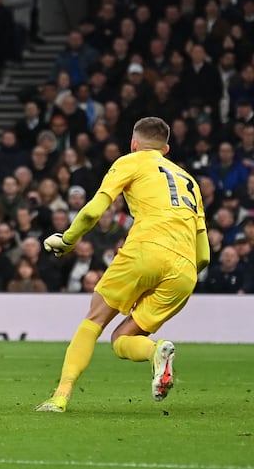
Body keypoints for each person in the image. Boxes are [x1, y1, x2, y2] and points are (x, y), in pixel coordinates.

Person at [36, 117, 210, 413]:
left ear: (133, 144)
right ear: (166, 149)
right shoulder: (189, 181)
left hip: (146, 250)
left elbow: (93, 212)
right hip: (185, 269)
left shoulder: (132, 161)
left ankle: (60, 396)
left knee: (94, 320)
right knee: (122, 338)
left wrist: (68, 240)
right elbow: (204, 255)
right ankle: (156, 351)